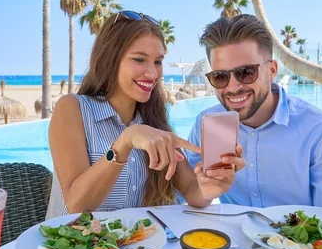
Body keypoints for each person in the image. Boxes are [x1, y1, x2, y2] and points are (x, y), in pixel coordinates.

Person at [46, 11, 245, 219]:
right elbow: (77, 205)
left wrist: (210, 187)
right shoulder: (72, 109)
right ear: (110, 59)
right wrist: (125, 142)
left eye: (158, 62)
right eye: (139, 59)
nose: (152, 73)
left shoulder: (153, 121)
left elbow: (192, 191)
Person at [186, 15, 322, 214]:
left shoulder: (318, 130)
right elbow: (187, 197)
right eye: (220, 76)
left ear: (272, 70)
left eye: (246, 72)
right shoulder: (208, 124)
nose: (233, 87)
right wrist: (205, 190)